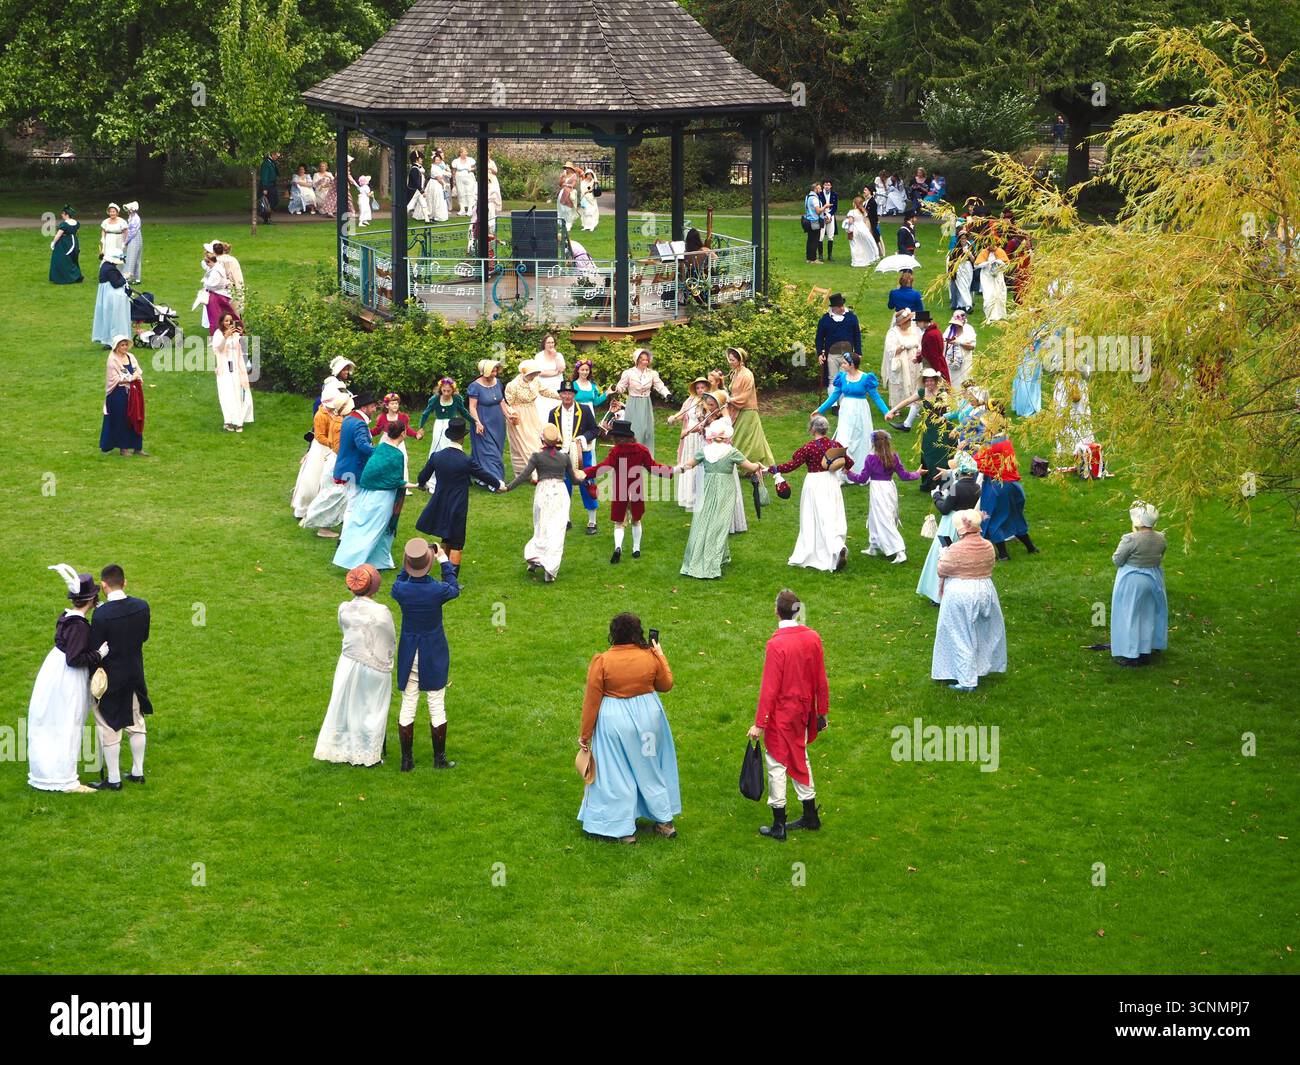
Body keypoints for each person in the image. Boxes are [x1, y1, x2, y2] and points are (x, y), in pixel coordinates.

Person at [577, 613, 679, 843]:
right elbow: (666, 684)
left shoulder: (602, 661)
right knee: (651, 768)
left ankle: (624, 831)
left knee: (616, 773)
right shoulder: (649, 656)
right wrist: (660, 654)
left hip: (614, 723)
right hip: (649, 721)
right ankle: (664, 822)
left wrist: (585, 735)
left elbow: (592, 700)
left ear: (614, 633)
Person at [747, 589, 829, 839]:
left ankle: (779, 824)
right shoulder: (812, 637)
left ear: (776, 611)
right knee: (800, 757)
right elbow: (820, 680)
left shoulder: (776, 644)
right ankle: (810, 815)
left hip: (782, 716)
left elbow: (769, 688)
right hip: (803, 712)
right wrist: (822, 712)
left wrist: (759, 724)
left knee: (776, 764)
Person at [27, 566, 104, 793]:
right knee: (68, 722)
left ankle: (49, 773)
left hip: (53, 672)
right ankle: (65, 779)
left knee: (52, 721)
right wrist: (99, 655)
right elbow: (75, 659)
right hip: (67, 678)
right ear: (91, 599)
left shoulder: (67, 617)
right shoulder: (79, 626)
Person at [313, 564, 396, 767]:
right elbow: (390, 637)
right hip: (374, 665)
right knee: (372, 708)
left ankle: (342, 747)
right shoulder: (381, 611)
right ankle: (368, 754)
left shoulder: (344, 608)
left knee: (347, 705)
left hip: (348, 662)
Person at [391, 538, 460, 771]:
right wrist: (443, 559)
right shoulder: (437, 590)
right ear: (429, 563)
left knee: (409, 702)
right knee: (436, 702)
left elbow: (398, 581)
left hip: (410, 651)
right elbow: (453, 587)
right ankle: (439, 759)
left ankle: (406, 760)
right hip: (433, 650)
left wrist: (407, 562)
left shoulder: (401, 589)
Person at [88, 564, 152, 790]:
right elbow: (143, 637)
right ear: (124, 582)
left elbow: (96, 649)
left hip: (110, 679)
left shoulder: (102, 614)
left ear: (104, 585)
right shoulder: (142, 607)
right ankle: (138, 771)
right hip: (134, 673)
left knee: (109, 727)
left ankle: (113, 779)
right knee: (136, 723)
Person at [676, 419, 765, 579]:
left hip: (707, 489)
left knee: (702, 521)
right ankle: (710, 565)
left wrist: (671, 470)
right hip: (725, 490)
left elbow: (687, 465)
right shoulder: (732, 452)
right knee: (720, 524)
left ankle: (699, 560)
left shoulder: (704, 450)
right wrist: (759, 466)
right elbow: (751, 467)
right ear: (727, 437)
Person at [415, 418, 503, 577]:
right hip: (458, 504)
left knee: (445, 536)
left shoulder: (437, 456)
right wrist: (498, 484)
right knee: (457, 542)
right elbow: (482, 474)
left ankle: (443, 568)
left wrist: (422, 485)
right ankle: (451, 578)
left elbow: (422, 477)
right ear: (463, 437)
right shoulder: (465, 460)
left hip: (440, 501)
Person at [931, 510, 1008, 691]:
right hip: (985, 590)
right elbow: (990, 565)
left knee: (959, 634)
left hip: (961, 592)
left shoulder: (955, 549)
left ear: (961, 529)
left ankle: (966, 680)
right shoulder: (988, 546)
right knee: (983, 631)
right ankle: (980, 667)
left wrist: (943, 554)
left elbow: (942, 570)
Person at [584, 419, 676, 564]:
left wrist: (585, 473)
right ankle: (636, 548)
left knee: (619, 522)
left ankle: (618, 547)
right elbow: (652, 467)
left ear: (615, 437)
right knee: (636, 520)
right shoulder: (641, 449)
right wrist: (672, 470)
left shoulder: (615, 451)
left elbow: (603, 467)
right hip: (636, 488)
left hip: (621, 489)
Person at [769, 416, 851, 572]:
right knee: (831, 516)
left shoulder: (809, 447)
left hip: (815, 483)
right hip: (832, 483)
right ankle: (837, 546)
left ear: (813, 429)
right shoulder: (835, 444)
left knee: (814, 518)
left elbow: (793, 464)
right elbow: (848, 461)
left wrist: (775, 469)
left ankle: (819, 550)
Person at [502, 423, 574, 582]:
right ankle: (549, 569)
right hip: (560, 494)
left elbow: (523, 475)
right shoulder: (564, 458)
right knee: (556, 530)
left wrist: (508, 488)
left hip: (543, 492)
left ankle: (535, 558)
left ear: (542, 439)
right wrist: (587, 480)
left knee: (541, 526)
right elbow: (574, 479)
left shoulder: (537, 456)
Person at [333, 421, 408, 570]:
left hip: (371, 494)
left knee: (374, 528)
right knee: (376, 529)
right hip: (385, 497)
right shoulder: (397, 454)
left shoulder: (380, 448)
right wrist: (414, 485)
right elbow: (396, 480)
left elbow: (372, 471)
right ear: (403, 434)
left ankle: (380, 561)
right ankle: (354, 561)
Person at [303, 393, 379, 538]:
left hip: (343, 465)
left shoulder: (348, 420)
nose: (375, 409)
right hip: (351, 468)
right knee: (344, 499)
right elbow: (362, 445)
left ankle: (345, 528)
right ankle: (342, 532)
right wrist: (380, 452)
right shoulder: (357, 423)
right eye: (372, 406)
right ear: (363, 407)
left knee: (346, 499)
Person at [845, 429, 924, 562]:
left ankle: (899, 551)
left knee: (883, 518)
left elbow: (862, 478)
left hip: (877, 490)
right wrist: (917, 473)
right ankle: (874, 545)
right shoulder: (893, 456)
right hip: (889, 487)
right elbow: (904, 476)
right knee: (875, 516)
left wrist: (849, 473)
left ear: (873, 443)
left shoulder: (871, 458)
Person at [917, 453, 984, 605]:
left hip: (950, 525)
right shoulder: (977, 488)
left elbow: (945, 509)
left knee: (943, 556)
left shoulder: (956, 487)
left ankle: (938, 594)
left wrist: (936, 497)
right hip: (966, 524)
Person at [1110, 501, 1168, 666]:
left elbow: (1117, 560)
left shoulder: (1130, 539)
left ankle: (1131, 654)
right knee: (1148, 614)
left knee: (1130, 615)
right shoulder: (1161, 538)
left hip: (1132, 580)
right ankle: (1147, 649)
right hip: (1154, 579)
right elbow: (1160, 555)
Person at [975, 410, 1038, 560]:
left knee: (993, 519)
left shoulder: (990, 446)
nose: (982, 428)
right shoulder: (1005, 440)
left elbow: (975, 463)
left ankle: (1003, 555)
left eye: (983, 425)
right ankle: (1031, 548)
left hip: (997, 488)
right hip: (1013, 486)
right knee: (1016, 516)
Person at [815, 353, 890, 478]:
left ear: (852, 365)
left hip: (861, 412)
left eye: (845, 363)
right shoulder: (842, 377)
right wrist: (820, 410)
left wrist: (886, 412)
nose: (842, 365)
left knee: (861, 439)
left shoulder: (866, 378)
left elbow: (876, 397)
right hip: (846, 411)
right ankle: (840, 474)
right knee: (843, 439)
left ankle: (860, 472)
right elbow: (834, 396)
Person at [725, 346, 782, 505]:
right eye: (729, 359)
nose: (730, 362)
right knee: (745, 438)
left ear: (740, 360)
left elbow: (745, 395)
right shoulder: (734, 373)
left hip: (748, 410)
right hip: (739, 410)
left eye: (733, 359)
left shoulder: (747, 374)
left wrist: (730, 400)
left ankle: (752, 467)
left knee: (749, 439)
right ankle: (752, 467)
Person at [884, 368, 953, 491]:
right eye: (927, 381)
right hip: (929, 429)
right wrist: (892, 411)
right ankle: (930, 484)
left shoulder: (943, 393)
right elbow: (907, 401)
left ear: (936, 381)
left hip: (943, 429)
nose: (929, 383)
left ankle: (945, 486)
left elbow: (951, 410)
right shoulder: (922, 392)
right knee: (927, 454)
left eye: (932, 381)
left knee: (943, 457)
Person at [548, 380, 601, 533]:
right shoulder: (554, 413)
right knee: (563, 488)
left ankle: (592, 521)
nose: (567, 396)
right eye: (564, 393)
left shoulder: (584, 410)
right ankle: (566, 519)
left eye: (570, 393)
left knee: (588, 486)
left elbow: (595, 430)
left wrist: (582, 439)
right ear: (560, 394)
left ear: (574, 395)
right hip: (562, 456)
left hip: (582, 454)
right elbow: (551, 433)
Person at [293, 394, 349, 520]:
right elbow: (319, 436)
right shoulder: (320, 415)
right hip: (320, 449)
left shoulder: (334, 414)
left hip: (330, 448)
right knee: (312, 479)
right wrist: (331, 442)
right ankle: (304, 508)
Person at [504, 359, 560, 478]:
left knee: (536, 439)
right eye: (531, 374)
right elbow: (508, 403)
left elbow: (545, 391)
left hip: (532, 414)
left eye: (535, 373)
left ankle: (533, 471)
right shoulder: (512, 385)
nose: (534, 376)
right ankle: (534, 473)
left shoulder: (536, 381)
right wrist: (512, 415)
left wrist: (560, 396)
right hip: (519, 416)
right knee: (523, 443)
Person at [612, 348, 671, 453]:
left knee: (647, 431)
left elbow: (659, 385)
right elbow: (621, 387)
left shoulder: (652, 373)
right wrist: (615, 388)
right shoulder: (628, 373)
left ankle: (645, 456)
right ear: (637, 360)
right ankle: (631, 454)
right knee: (634, 430)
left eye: (646, 359)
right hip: (633, 403)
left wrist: (667, 394)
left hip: (646, 403)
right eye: (642, 359)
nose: (645, 362)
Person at [417, 376, 474, 483]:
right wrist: (420, 427)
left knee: (455, 448)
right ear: (440, 389)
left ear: (453, 390)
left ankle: (459, 475)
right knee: (438, 448)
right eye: (444, 390)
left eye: (449, 391)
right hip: (439, 425)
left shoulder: (457, 399)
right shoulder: (435, 399)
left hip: (453, 425)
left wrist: (474, 421)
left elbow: (463, 412)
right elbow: (426, 413)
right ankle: (433, 476)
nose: (446, 393)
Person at [666, 377, 709, 511]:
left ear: (707, 388)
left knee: (697, 463)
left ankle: (698, 496)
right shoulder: (691, 400)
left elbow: (706, 421)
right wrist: (673, 418)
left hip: (698, 435)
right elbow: (682, 413)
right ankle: (687, 496)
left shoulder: (708, 402)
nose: (700, 390)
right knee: (687, 462)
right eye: (698, 388)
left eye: (703, 387)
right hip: (688, 436)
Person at [99, 337, 146, 456]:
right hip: (118, 394)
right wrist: (130, 378)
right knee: (122, 419)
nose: (124, 347)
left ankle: (137, 447)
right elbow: (114, 379)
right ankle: (123, 447)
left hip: (134, 393)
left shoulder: (131, 357)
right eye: (122, 345)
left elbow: (137, 371)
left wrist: (136, 377)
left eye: (126, 345)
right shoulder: (112, 360)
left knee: (136, 417)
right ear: (116, 347)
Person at [466, 358, 509, 486]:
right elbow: (472, 407)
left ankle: (481, 476)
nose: (494, 374)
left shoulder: (498, 382)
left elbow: (501, 400)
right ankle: (495, 481)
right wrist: (477, 422)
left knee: (497, 449)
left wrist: (507, 415)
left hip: (498, 423)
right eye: (492, 371)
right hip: (483, 422)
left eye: (496, 371)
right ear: (484, 371)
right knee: (489, 452)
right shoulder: (475, 386)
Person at [881, 307, 923, 430]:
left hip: (914, 361)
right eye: (908, 321)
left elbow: (919, 341)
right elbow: (891, 350)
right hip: (900, 362)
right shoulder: (893, 333)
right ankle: (896, 408)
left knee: (916, 383)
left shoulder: (914, 330)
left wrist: (918, 348)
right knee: (898, 384)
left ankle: (914, 407)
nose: (910, 323)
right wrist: (905, 346)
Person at [212, 312, 253, 432]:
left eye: (230, 321)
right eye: (226, 321)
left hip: (236, 368)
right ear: (221, 322)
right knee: (225, 394)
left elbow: (242, 348)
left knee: (238, 393)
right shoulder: (218, 334)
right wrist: (225, 337)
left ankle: (239, 422)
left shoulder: (235, 334)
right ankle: (228, 421)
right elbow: (218, 349)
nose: (228, 323)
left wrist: (241, 334)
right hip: (224, 368)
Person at [815, 293, 862, 396]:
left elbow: (857, 335)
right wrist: (819, 353)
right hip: (832, 355)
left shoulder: (851, 317)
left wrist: (858, 352)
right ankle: (834, 404)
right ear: (834, 307)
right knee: (833, 379)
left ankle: (843, 402)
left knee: (844, 378)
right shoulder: (825, 319)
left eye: (842, 305)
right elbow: (819, 338)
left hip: (847, 355)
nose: (842, 308)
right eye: (839, 306)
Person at [373, 392, 422, 488]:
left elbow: (406, 429)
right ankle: (384, 481)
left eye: (396, 403)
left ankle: (404, 485)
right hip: (386, 440)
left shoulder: (403, 417)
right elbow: (377, 430)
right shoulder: (382, 418)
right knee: (384, 460)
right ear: (387, 406)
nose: (395, 405)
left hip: (399, 441)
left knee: (403, 459)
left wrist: (416, 435)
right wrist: (367, 432)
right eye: (392, 403)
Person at [92, 256, 132, 348]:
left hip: (108, 296)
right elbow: (116, 284)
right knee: (117, 318)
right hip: (114, 297)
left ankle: (112, 339)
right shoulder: (110, 269)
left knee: (109, 317)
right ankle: (116, 339)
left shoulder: (105, 266)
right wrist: (125, 277)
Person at [532, 333, 567, 421]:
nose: (551, 345)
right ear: (544, 344)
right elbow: (540, 372)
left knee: (557, 409)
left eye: (552, 342)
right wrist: (555, 373)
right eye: (548, 342)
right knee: (543, 411)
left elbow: (561, 369)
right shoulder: (539, 356)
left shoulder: (559, 355)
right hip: (543, 387)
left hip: (556, 387)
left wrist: (555, 356)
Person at [944, 309, 977, 390]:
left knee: (965, 382)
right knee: (952, 383)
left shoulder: (969, 329)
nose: (956, 325)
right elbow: (944, 341)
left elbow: (972, 346)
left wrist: (959, 342)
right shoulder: (950, 329)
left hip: (965, 362)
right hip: (951, 361)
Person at [843, 196, 880, 268]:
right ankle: (867, 259)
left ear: (855, 203)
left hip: (855, 229)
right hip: (863, 228)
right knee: (864, 244)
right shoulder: (863, 211)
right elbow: (865, 220)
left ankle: (856, 261)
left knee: (855, 245)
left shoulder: (852, 212)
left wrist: (846, 221)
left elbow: (850, 221)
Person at [49, 205, 83, 284]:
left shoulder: (64, 224)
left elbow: (58, 234)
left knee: (61, 259)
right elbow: (77, 232)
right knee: (72, 259)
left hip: (64, 244)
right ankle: (76, 276)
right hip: (74, 242)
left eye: (63, 214)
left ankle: (65, 278)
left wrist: (53, 242)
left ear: (67, 215)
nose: (61, 215)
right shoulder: (76, 223)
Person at [915, 309, 950, 383]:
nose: (916, 324)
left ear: (923, 322)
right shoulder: (933, 332)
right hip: (933, 363)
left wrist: (938, 371)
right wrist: (919, 358)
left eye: (918, 322)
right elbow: (928, 351)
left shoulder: (930, 335)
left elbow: (934, 355)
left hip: (932, 366)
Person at [976, 245, 1010, 321]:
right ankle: (989, 315)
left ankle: (1000, 315)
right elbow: (976, 265)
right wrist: (986, 263)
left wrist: (999, 262)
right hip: (986, 277)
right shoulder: (984, 252)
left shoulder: (1000, 251)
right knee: (988, 296)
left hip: (998, 276)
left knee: (999, 295)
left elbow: (1007, 264)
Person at [212, 241, 246, 314]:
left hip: (224, 290)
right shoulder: (233, 259)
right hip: (234, 288)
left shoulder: (218, 261)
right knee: (235, 313)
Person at [426, 150, 451, 222]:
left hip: (438, 184)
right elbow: (438, 178)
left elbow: (445, 174)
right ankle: (435, 215)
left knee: (439, 199)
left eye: (439, 160)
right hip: (435, 184)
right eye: (436, 160)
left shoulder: (438, 167)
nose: (438, 161)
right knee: (436, 198)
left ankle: (437, 215)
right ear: (434, 161)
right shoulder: (433, 167)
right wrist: (444, 184)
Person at [121, 202, 143, 283]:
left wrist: (125, 241)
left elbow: (132, 232)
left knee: (132, 256)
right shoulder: (131, 217)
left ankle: (130, 277)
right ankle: (133, 277)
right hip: (133, 237)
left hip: (134, 238)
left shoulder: (135, 219)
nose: (128, 211)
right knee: (132, 256)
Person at [802, 182, 823, 263]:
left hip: (808, 220)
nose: (821, 190)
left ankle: (808, 258)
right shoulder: (814, 198)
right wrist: (825, 206)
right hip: (814, 222)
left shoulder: (807, 197)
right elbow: (818, 211)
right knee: (815, 240)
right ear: (815, 189)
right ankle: (813, 259)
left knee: (810, 240)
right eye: (819, 188)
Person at [451, 147, 476, 216]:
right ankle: (462, 209)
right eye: (464, 152)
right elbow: (454, 171)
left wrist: (471, 169)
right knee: (461, 193)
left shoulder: (470, 160)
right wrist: (454, 180)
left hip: (469, 177)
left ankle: (470, 209)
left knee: (469, 192)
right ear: (460, 153)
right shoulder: (456, 161)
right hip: (459, 177)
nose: (466, 153)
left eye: (466, 152)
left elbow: (475, 167)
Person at [406, 149, 429, 221]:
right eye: (420, 158)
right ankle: (401, 219)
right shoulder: (414, 169)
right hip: (415, 191)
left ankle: (427, 220)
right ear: (416, 160)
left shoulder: (418, 169)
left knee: (424, 205)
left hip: (419, 191)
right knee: (410, 206)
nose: (422, 160)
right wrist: (422, 191)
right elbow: (416, 183)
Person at [818, 179, 838, 262]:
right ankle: (820, 255)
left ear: (831, 186)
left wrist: (829, 215)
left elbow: (835, 207)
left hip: (831, 216)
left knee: (830, 236)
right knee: (821, 236)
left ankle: (830, 256)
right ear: (823, 185)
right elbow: (818, 206)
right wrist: (824, 216)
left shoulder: (834, 194)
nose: (827, 186)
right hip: (822, 215)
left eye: (828, 185)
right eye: (825, 184)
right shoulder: (819, 194)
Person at [556, 161, 580, 230]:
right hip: (562, 192)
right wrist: (561, 178)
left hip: (569, 193)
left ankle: (569, 223)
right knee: (562, 208)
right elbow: (560, 184)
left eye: (568, 168)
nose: (566, 169)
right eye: (566, 168)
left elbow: (573, 185)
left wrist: (566, 185)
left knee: (568, 209)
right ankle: (563, 222)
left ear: (571, 169)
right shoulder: (564, 175)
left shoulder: (574, 176)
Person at [259, 153, 281, 220]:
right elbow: (264, 176)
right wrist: (264, 188)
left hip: (272, 185)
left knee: (274, 200)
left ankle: (267, 215)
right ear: (272, 154)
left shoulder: (272, 162)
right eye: (276, 155)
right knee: (268, 202)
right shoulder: (266, 163)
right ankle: (266, 217)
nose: (277, 157)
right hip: (268, 185)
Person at [579, 167, 601, 231]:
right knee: (585, 212)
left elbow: (595, 188)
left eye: (590, 174)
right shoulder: (583, 182)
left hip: (591, 199)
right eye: (588, 174)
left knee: (591, 212)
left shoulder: (593, 182)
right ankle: (586, 226)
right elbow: (583, 190)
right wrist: (587, 192)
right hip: (585, 198)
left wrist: (594, 179)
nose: (589, 176)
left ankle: (592, 225)